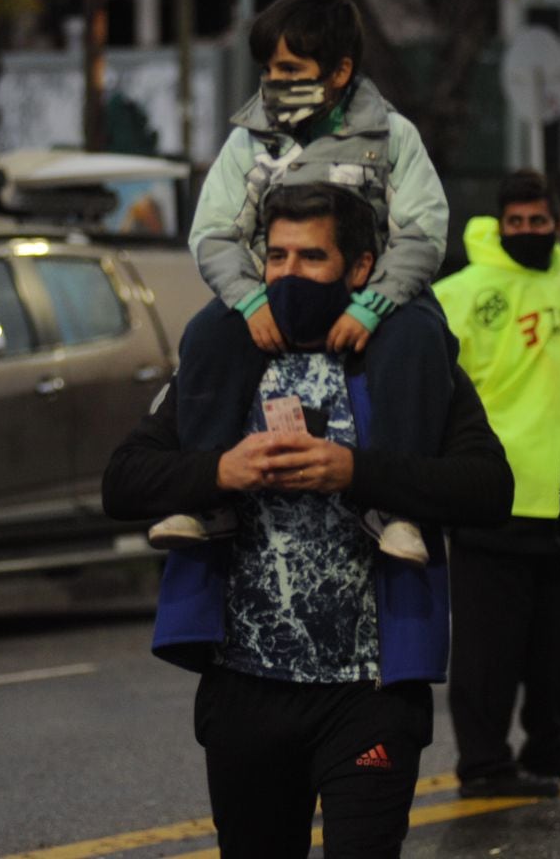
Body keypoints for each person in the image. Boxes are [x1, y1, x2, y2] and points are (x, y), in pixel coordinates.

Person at [102, 182, 514, 859]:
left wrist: (356, 472)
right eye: (277, 255)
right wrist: (220, 471)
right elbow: (122, 480)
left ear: (358, 268)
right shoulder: (230, 356)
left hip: (369, 695)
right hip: (244, 690)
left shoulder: (404, 356)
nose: (289, 273)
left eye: (311, 258)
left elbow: (488, 488)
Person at [148, 0, 451, 565]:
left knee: (420, 339)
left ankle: (397, 511)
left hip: (370, 297)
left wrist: (375, 304)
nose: (273, 80)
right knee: (208, 334)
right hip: (273, 297)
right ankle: (206, 496)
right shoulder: (249, 140)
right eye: (268, 67)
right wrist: (248, 300)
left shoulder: (392, 136)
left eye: (291, 68)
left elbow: (423, 232)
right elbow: (213, 232)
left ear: (340, 71)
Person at [433, 169, 560, 798]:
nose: (527, 231)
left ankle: (548, 748)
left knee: (552, 646)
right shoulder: (459, 293)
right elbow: (437, 396)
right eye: (517, 222)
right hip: (491, 493)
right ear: (500, 224)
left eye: (538, 221)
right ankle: (483, 764)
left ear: (559, 223)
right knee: (487, 648)